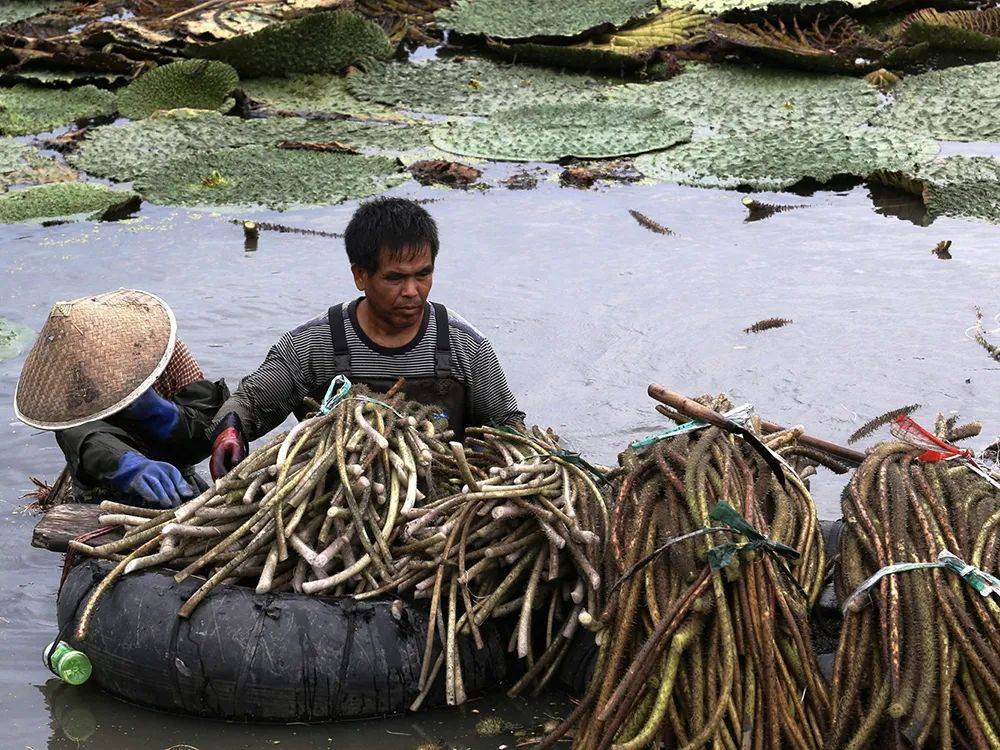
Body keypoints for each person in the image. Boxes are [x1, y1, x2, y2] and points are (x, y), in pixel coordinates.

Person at [209, 197, 525, 479]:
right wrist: (229, 433)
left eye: (423, 274)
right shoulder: (314, 346)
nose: (412, 291)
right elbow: (247, 403)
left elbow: (508, 427)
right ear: (360, 275)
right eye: (395, 278)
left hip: (439, 498)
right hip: (337, 497)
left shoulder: (465, 346)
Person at [15, 289, 229, 508]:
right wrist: (129, 465)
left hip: (178, 482)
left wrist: (160, 412)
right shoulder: (69, 384)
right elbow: (83, 437)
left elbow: (206, 426)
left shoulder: (164, 351)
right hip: (106, 496)